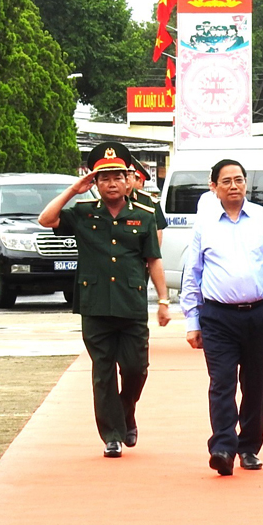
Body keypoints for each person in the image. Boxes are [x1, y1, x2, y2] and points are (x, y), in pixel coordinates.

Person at [38, 142, 170, 458]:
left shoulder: (144, 215)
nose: (111, 183)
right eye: (103, 177)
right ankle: (111, 434)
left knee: (137, 369)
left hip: (131, 304)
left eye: (117, 176)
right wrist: (73, 190)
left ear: (128, 179)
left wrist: (164, 301)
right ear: (94, 183)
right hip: (95, 304)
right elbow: (46, 219)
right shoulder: (83, 214)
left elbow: (153, 259)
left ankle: (126, 411)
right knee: (103, 370)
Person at [180, 158, 263, 476]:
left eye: (239, 180)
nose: (234, 186)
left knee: (256, 384)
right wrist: (192, 321)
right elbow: (192, 274)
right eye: (227, 181)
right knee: (222, 381)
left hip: (260, 314)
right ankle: (222, 447)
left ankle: (248, 447)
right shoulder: (204, 225)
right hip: (217, 316)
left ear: (246, 184)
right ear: (213, 186)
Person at [126, 157, 167, 244]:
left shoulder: (150, 202)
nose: (126, 180)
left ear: (140, 181)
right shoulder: (113, 200)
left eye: (130, 176)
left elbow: (157, 233)